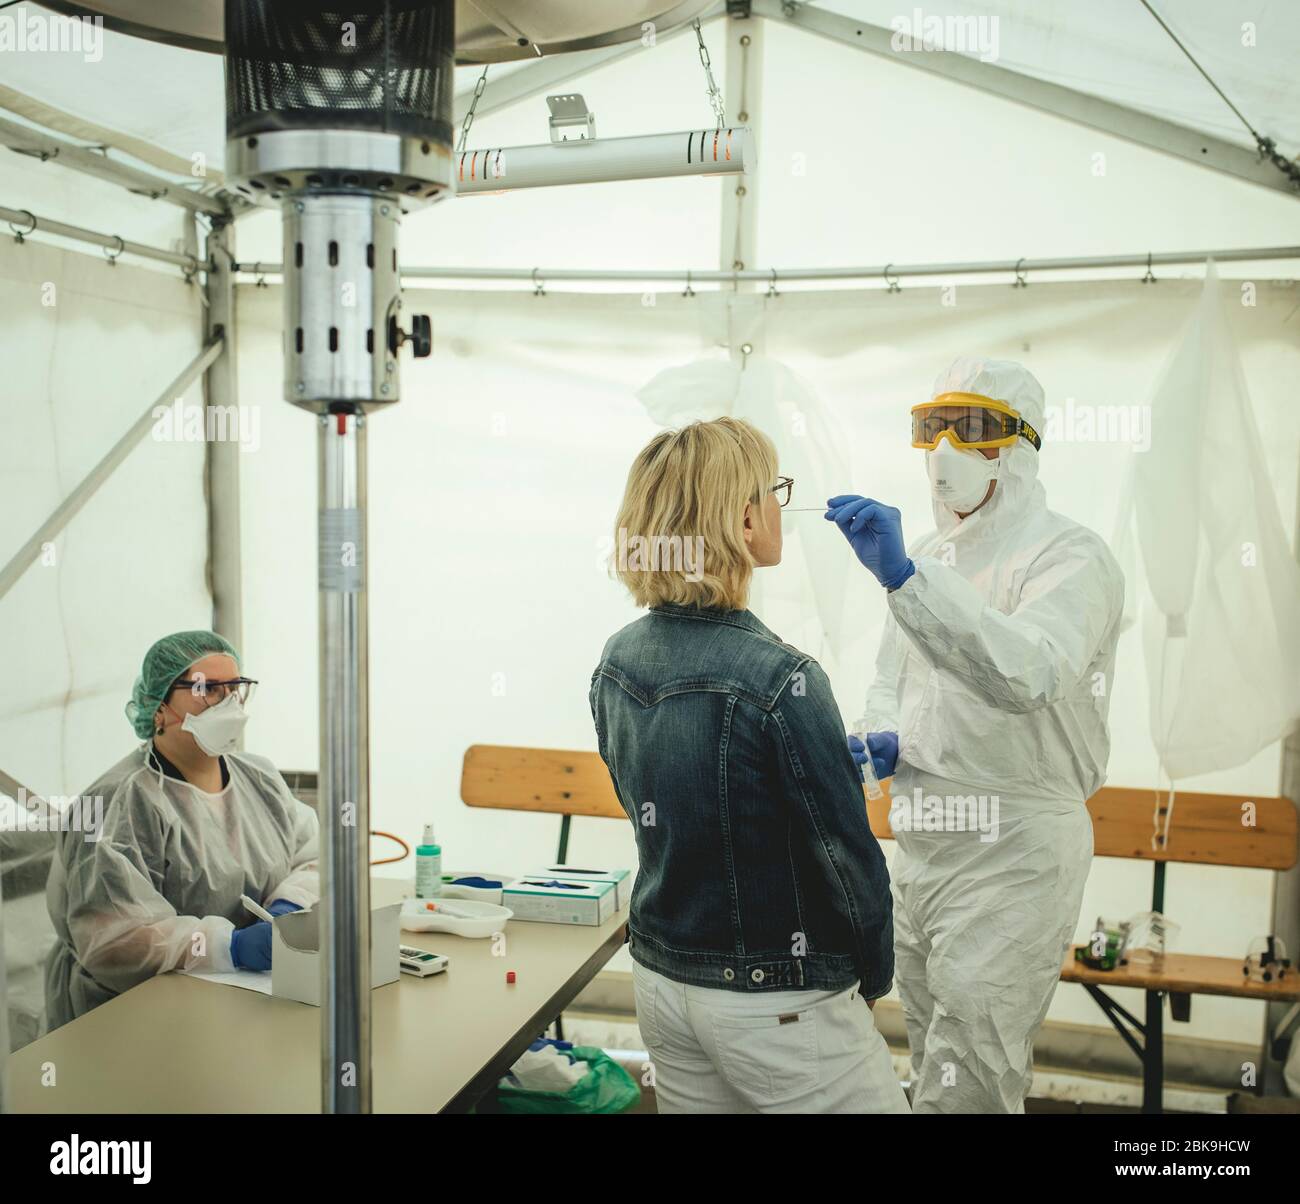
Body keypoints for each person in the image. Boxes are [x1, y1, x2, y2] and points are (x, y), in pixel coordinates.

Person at [826, 357, 1124, 1114]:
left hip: (1014, 852)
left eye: (976, 428)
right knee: (932, 1053)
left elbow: (1026, 673)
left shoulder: (1070, 557)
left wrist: (905, 584)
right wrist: (885, 737)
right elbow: (894, 679)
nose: (947, 450)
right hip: (927, 844)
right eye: (934, 427)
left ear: (1022, 447)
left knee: (974, 1076)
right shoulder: (927, 557)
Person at [590, 417, 908, 1114]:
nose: (780, 506)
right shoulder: (781, 677)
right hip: (781, 1000)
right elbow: (845, 857)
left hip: (664, 982)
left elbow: (683, 807)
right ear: (741, 518)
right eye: (774, 491)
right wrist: (873, 977)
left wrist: (820, 762)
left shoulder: (617, 659)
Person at [44, 630, 320, 1029]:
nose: (228, 702)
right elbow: (112, 940)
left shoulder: (257, 777)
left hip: (243, 1004)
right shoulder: (117, 802)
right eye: (208, 688)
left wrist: (288, 905)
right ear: (158, 707)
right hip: (133, 1021)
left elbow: (311, 855)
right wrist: (232, 946)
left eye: (236, 687)